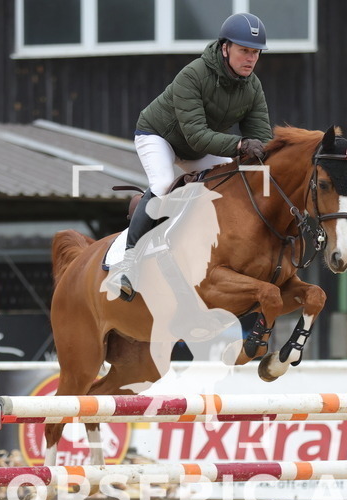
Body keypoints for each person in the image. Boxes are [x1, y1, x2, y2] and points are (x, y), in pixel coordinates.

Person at [109, 12, 273, 297]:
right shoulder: (193, 74)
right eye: (244, 50)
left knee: (234, 180)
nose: (250, 58)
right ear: (225, 48)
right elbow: (196, 134)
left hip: (198, 147)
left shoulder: (253, 87)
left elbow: (262, 139)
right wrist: (239, 146)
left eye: (255, 53)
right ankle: (129, 263)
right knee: (162, 185)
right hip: (159, 137)